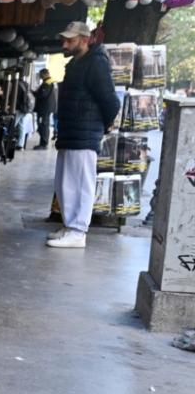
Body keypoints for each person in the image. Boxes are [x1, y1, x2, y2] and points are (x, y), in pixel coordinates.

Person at [47, 22, 120, 249]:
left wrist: (105, 124)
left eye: (70, 39)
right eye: (65, 39)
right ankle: (70, 226)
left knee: (80, 183)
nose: (65, 43)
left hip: (85, 132)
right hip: (71, 132)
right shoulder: (76, 64)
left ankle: (78, 230)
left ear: (85, 39)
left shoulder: (96, 63)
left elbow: (110, 100)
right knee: (65, 182)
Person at [33, 68, 58, 149]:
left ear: (44, 74)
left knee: (43, 124)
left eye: (40, 75)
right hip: (49, 107)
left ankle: (43, 144)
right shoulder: (52, 81)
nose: (40, 76)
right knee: (44, 124)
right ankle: (43, 142)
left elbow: (42, 94)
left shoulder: (47, 83)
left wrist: (34, 93)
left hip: (44, 108)